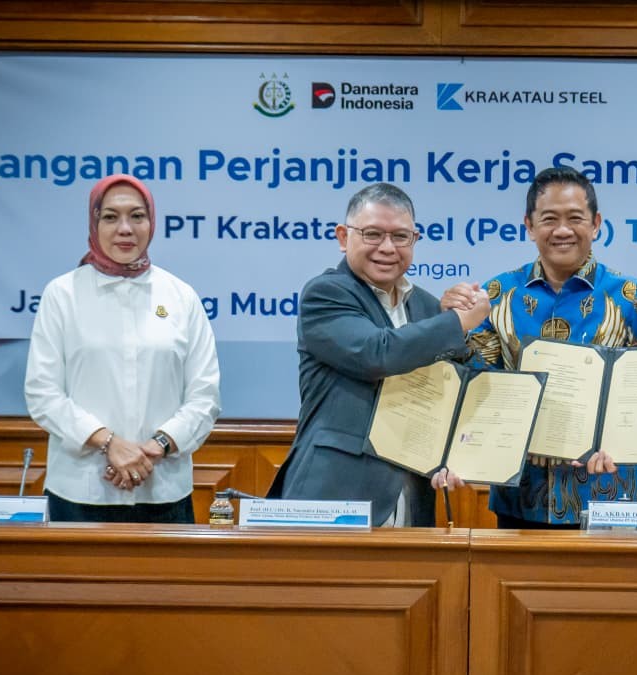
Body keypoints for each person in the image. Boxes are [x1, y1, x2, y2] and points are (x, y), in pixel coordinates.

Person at [442, 166, 637, 528]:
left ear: (596, 224)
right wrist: (452, 325)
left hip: (606, 494)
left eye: (575, 218)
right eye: (549, 219)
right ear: (529, 226)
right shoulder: (497, 295)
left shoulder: (631, 298)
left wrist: (618, 442)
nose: (562, 230)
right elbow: (477, 383)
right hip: (520, 500)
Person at [266, 182, 490, 527]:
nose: (387, 247)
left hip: (410, 499)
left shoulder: (428, 307)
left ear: (414, 240)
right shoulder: (325, 294)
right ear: (343, 237)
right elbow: (378, 353)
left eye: (401, 237)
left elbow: (448, 391)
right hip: (334, 495)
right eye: (372, 234)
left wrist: (453, 452)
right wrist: (457, 322)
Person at [25, 174, 221, 523]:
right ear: (94, 223)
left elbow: (205, 396)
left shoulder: (181, 296)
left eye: (137, 216)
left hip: (163, 490)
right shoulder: (62, 295)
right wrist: (109, 443)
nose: (125, 229)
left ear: (152, 222)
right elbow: (43, 393)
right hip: (80, 491)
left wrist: (155, 447)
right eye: (111, 217)